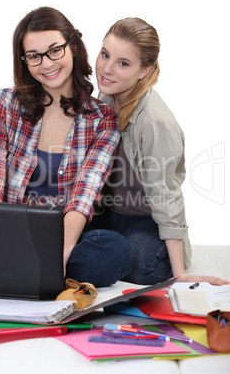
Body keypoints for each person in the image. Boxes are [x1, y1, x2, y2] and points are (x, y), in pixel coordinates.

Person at [0, 7, 132, 287]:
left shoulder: (102, 119)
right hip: (7, 229)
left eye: (54, 50)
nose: (46, 64)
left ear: (73, 48)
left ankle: (35, 273)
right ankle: (33, 274)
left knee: (113, 250)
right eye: (34, 56)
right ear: (24, 61)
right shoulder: (0, 105)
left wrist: (57, 257)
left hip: (63, 236)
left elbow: (85, 194)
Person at [92, 17, 229, 286]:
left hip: (144, 220)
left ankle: (161, 255)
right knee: (61, 241)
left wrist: (180, 275)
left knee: (143, 265)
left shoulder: (155, 122)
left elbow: (165, 194)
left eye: (123, 63)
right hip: (108, 212)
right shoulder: (106, 98)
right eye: (105, 54)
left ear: (144, 70)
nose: (106, 69)